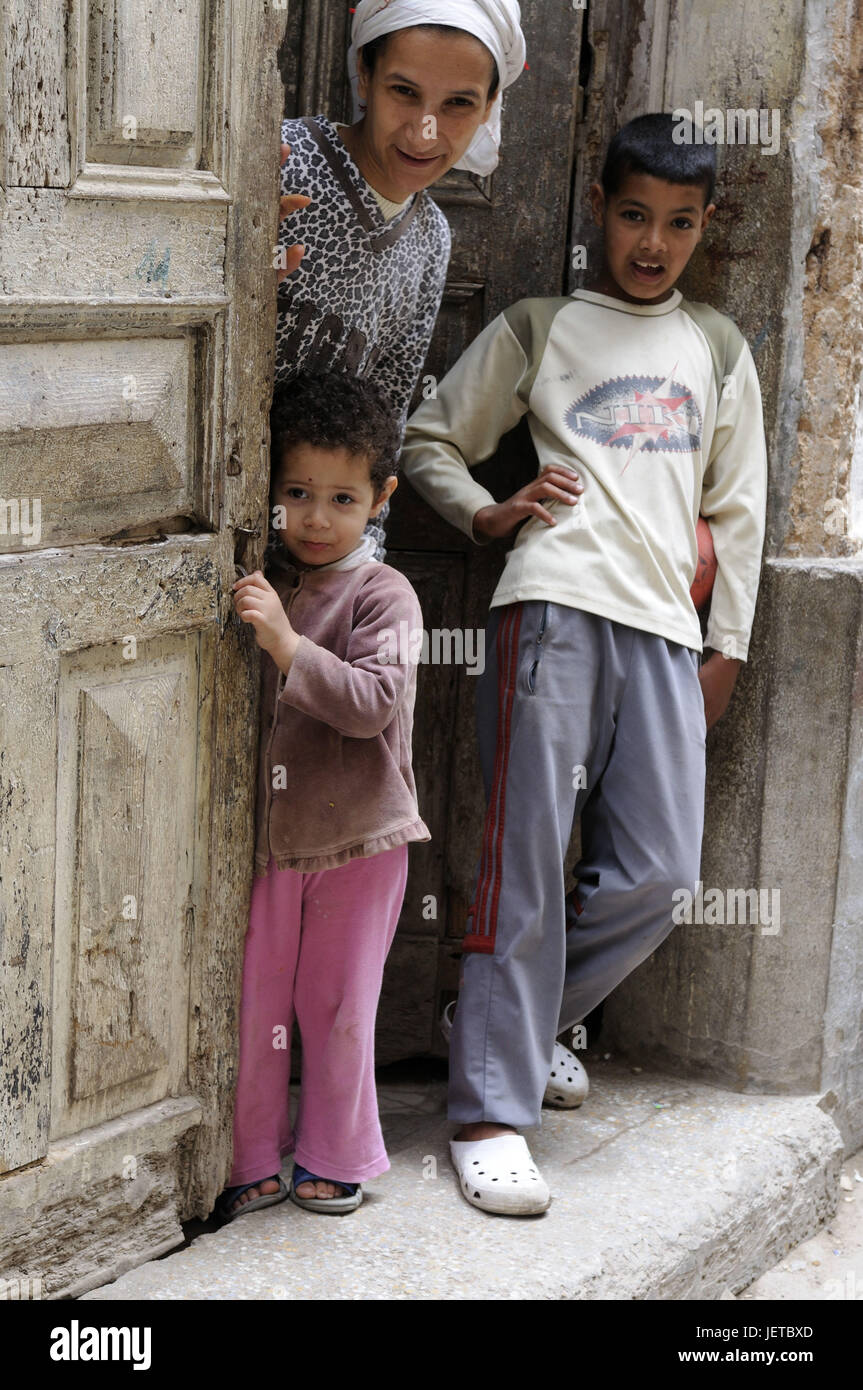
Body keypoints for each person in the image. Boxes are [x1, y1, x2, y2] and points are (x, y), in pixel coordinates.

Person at [399, 113, 769, 1214]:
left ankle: (507, 1017)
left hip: (662, 630)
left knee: (660, 874)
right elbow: (429, 438)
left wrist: (728, 646)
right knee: (523, 864)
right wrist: (487, 513)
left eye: (677, 224)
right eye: (630, 215)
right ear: (597, 208)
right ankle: (487, 1115)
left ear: (702, 229)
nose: (650, 242)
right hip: (548, 609)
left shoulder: (715, 348)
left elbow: (737, 514)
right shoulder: (539, 323)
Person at [216, 371, 430, 1219]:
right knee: (258, 1003)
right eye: (296, 493)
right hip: (273, 842)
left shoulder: (384, 595)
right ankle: (250, 1154)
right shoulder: (266, 578)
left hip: (359, 843)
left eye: (341, 497)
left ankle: (337, 1153)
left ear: (380, 498)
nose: (314, 517)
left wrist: (283, 641)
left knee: (338, 1009)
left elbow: (375, 701)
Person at [275, 0, 527, 557]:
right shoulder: (283, 159)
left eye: (458, 102)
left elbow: (385, 409)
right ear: (364, 75)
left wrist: (361, 562)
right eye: (404, 92)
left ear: (490, 106)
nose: (423, 130)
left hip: (313, 545)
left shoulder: (431, 238)